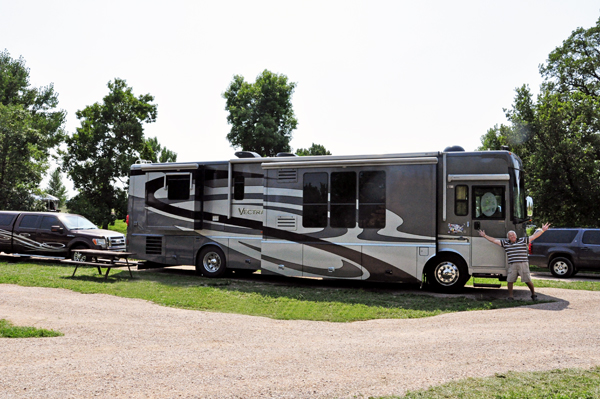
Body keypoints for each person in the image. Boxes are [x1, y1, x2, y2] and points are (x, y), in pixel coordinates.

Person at [478, 223, 551, 301]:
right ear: (508, 237)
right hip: (512, 265)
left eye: (513, 235)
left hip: (523, 263)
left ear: (516, 236)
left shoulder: (523, 240)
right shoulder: (505, 243)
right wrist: (485, 236)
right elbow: (494, 240)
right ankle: (510, 297)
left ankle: (534, 295)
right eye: (510, 235)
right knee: (510, 280)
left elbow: (534, 236)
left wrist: (542, 230)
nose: (512, 236)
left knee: (527, 280)